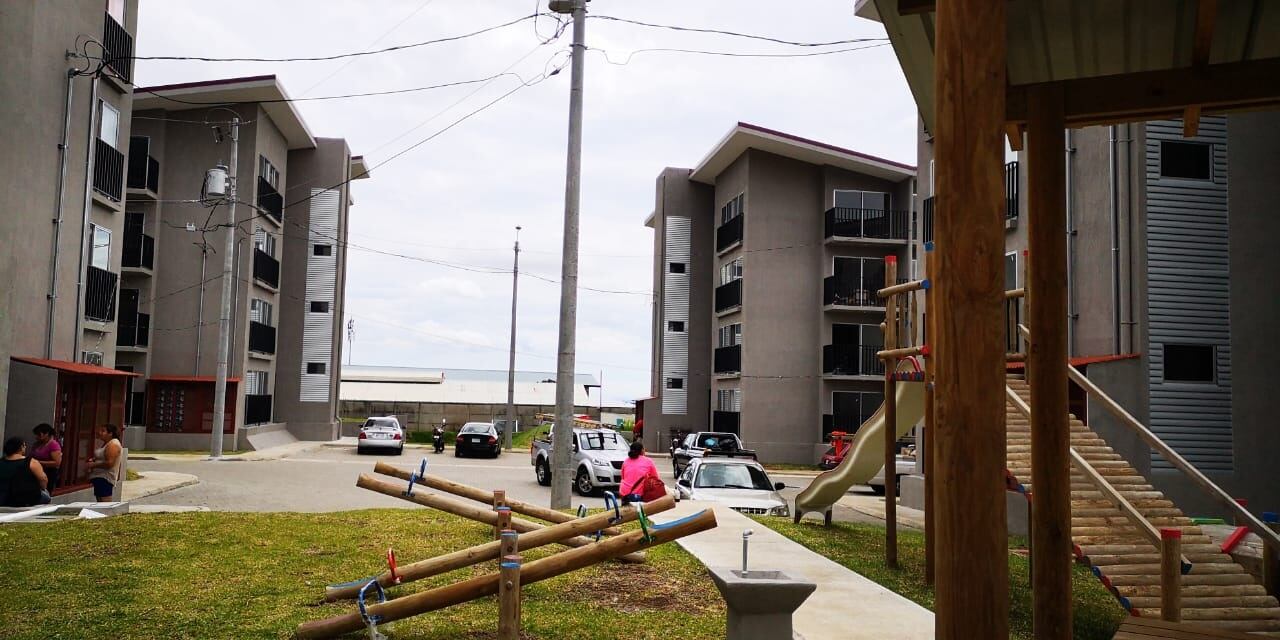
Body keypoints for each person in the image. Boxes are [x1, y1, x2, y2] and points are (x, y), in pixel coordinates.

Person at [0, 437, 50, 507]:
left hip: (3, 498)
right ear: (21, 447)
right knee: (46, 494)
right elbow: (43, 479)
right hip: (27, 498)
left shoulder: (1, 462)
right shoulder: (31, 462)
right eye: (24, 445)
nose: (25, 447)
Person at [86, 424, 123, 502]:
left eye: (103, 431)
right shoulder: (106, 444)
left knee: (104, 502)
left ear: (110, 434)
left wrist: (93, 464)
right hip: (98, 477)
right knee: (99, 501)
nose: (100, 433)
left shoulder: (113, 444)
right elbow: (103, 457)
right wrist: (93, 459)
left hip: (105, 478)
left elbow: (110, 463)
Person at [31, 423, 62, 489]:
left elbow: (57, 463)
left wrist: (39, 462)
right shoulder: (37, 444)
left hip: (49, 472)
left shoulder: (53, 445)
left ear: (46, 434)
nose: (36, 437)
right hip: (36, 471)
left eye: (39, 435)